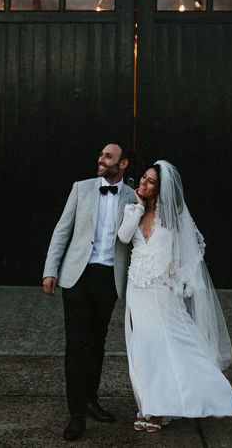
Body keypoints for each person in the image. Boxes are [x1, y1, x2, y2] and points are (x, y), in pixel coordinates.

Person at [117, 160, 232, 433]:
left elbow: (192, 248)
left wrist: (179, 275)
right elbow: (124, 238)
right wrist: (136, 206)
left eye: (150, 182)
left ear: (161, 189)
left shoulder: (174, 216)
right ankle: (150, 403)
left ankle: (170, 404)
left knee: (170, 346)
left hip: (164, 292)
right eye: (143, 179)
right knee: (142, 347)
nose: (143, 184)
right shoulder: (134, 210)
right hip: (138, 290)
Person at [42, 142, 137, 442]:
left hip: (109, 279)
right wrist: (50, 270)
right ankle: (76, 415)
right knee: (76, 343)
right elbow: (62, 230)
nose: (101, 159)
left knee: (97, 342)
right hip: (77, 276)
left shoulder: (133, 197)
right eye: (100, 154)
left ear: (123, 164)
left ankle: (90, 400)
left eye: (108, 156)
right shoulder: (80, 188)